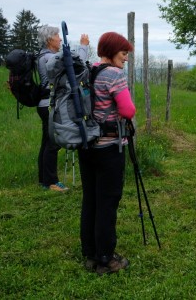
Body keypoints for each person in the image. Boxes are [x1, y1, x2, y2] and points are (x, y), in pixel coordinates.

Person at [78, 32, 135, 275]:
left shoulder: (89, 71)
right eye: (124, 54)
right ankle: (106, 258)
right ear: (112, 52)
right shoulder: (113, 74)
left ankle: (90, 253)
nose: (126, 59)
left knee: (90, 199)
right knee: (108, 202)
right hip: (109, 148)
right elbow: (128, 109)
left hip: (87, 146)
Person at [36, 26, 90, 192]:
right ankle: (51, 182)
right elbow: (76, 67)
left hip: (45, 104)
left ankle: (44, 180)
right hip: (53, 105)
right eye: (57, 36)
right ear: (49, 40)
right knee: (54, 142)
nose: (60, 39)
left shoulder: (43, 57)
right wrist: (84, 46)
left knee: (47, 141)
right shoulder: (50, 58)